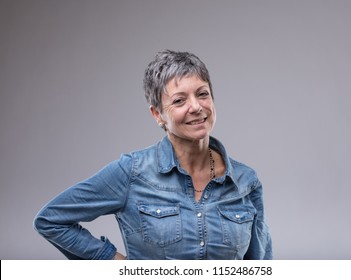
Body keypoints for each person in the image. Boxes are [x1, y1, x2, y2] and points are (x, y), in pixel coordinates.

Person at [33, 50, 273, 260]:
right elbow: (51, 220)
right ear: (158, 115)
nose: (196, 107)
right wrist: (113, 263)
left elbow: (260, 265)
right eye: (179, 100)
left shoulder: (246, 181)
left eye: (202, 94)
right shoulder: (132, 171)